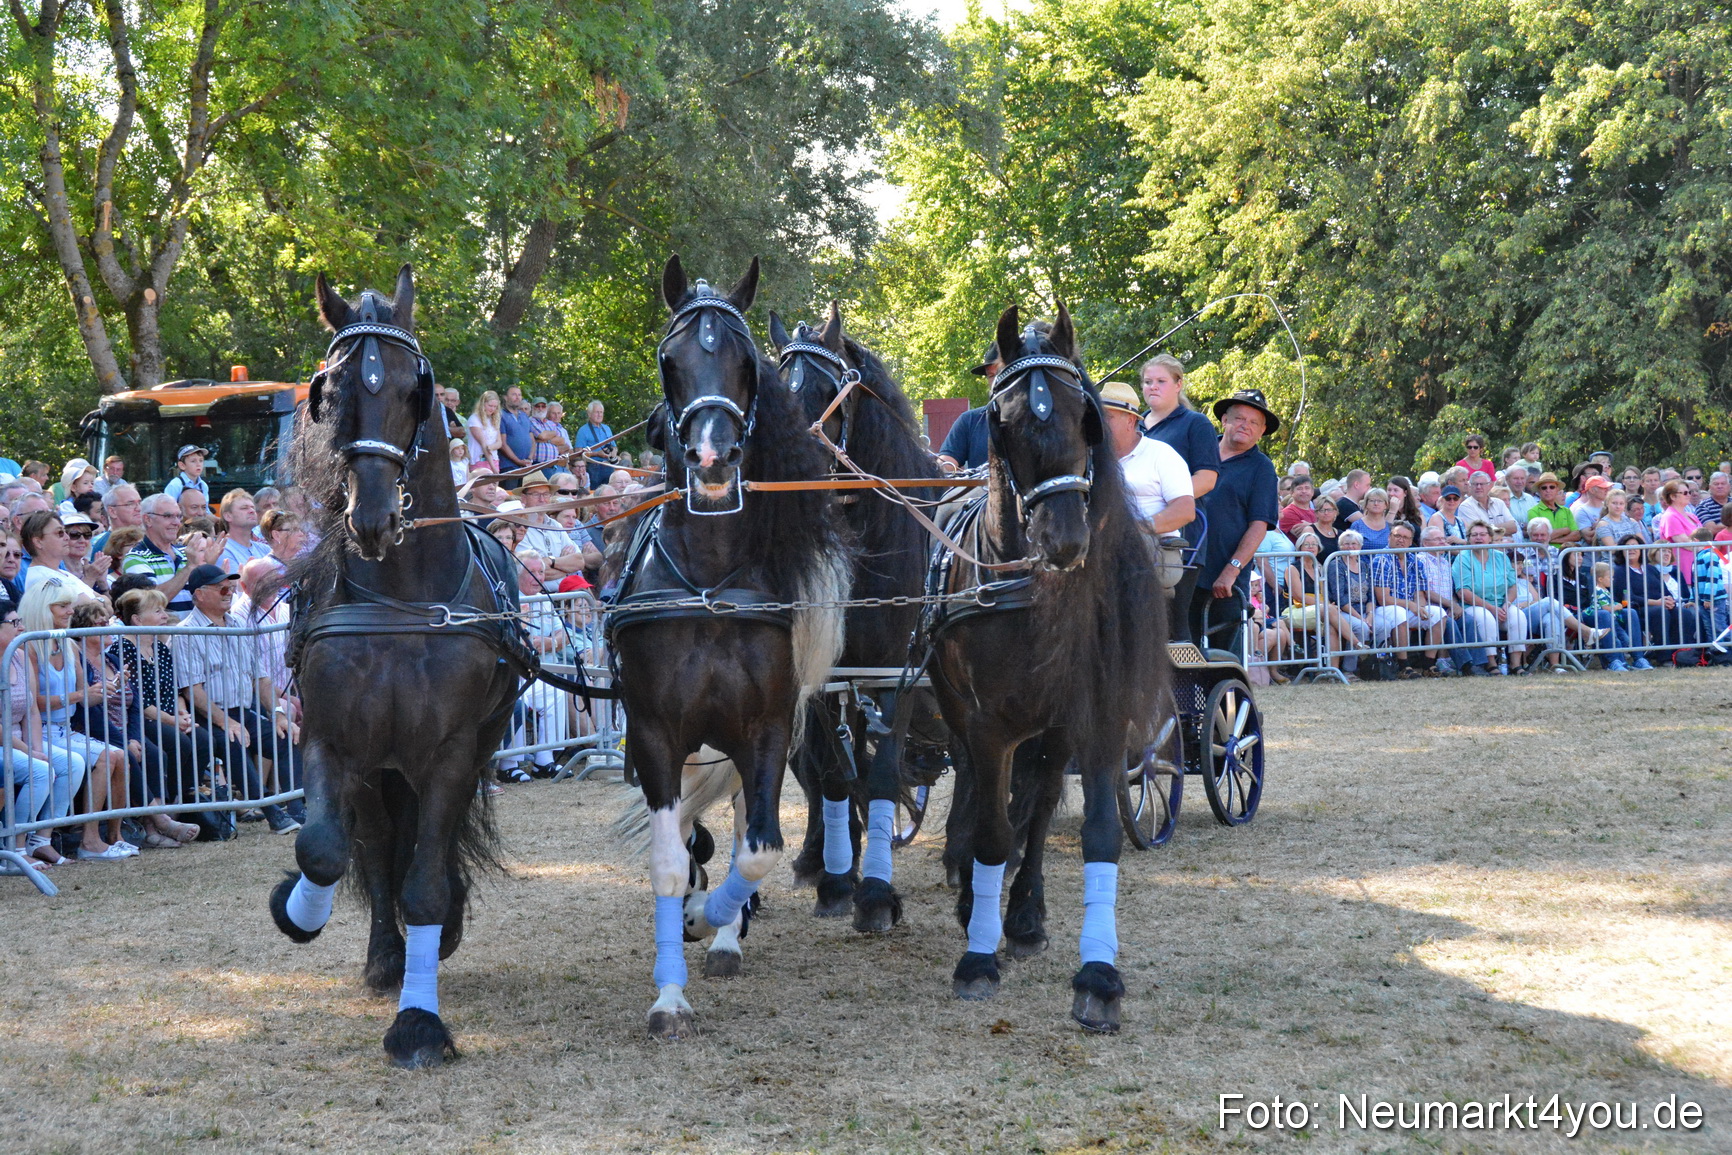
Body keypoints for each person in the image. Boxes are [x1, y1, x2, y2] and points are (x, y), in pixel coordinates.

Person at [174, 565, 301, 833]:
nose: (229, 593)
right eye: (222, 588)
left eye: (231, 588)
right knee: (233, 741)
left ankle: (299, 808)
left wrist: (278, 714)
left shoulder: (239, 625)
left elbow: (262, 679)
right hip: (207, 716)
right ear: (199, 594)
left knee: (288, 736)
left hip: (243, 711)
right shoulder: (186, 632)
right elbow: (193, 692)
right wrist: (226, 722)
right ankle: (273, 814)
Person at [20, 578, 133, 859]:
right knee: (95, 758)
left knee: (117, 755)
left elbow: (87, 697)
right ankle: (76, 839)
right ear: (42, 609)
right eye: (63, 605)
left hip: (65, 729)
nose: (70, 611)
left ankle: (109, 836)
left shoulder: (70, 645)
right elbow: (33, 703)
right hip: (39, 732)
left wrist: (109, 688)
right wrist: (80, 696)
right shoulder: (29, 648)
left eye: (70, 605)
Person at [1192, 389, 1279, 652]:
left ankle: (1228, 695)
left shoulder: (1262, 468)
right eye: (1240, 418)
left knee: (1223, 659)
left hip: (1225, 583)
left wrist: (1232, 570)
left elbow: (1259, 526)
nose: (1246, 426)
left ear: (1262, 431)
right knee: (1182, 652)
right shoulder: (1197, 454)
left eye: (1254, 422)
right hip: (1184, 571)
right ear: (1224, 420)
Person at [2, 597, 82, 867]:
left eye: (21, 621)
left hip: (20, 741)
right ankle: (14, 845)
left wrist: (35, 747)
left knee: (72, 763)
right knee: (40, 771)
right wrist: (30, 752)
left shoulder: (20, 656)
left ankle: (41, 840)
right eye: (14, 622)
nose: (21, 627)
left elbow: (33, 711)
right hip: (3, 743)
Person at [1098, 381, 1194, 534]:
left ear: (1130, 421)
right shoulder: (1091, 458)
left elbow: (1185, 510)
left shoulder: (1161, 454)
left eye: (1107, 417)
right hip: (1101, 546)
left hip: (1154, 544)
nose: (1099, 424)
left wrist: (1134, 529)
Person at [1367, 521, 1444, 677]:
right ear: (1389, 537)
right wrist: (1411, 605)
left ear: (1410, 541)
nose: (1400, 540)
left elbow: (1419, 593)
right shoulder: (1381, 560)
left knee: (1438, 613)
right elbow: (1383, 599)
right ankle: (1403, 665)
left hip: (1409, 607)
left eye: (1405, 537)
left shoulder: (1415, 560)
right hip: (1385, 609)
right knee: (1398, 613)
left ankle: (1429, 665)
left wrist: (1420, 607)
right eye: (1397, 536)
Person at [122, 494, 216, 616]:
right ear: (148, 520)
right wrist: (189, 567)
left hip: (194, 633)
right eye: (168, 516)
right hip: (163, 634)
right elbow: (151, 604)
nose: (177, 522)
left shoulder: (186, 552)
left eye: (178, 516)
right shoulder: (135, 558)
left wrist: (211, 567)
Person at [936, 342, 1002, 473]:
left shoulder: (1036, 418)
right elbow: (947, 463)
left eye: (1001, 373)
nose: (996, 381)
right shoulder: (970, 420)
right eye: (991, 375)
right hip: (983, 492)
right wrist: (939, 467)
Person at [1322, 529, 1375, 678]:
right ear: (1340, 546)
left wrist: (1369, 615)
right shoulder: (1335, 565)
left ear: (1360, 546)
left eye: (1354, 544)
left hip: (1365, 610)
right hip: (1344, 610)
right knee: (1361, 627)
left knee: (1385, 625)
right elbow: (1340, 597)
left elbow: (1371, 596)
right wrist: (1361, 618)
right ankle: (1348, 669)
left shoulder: (1364, 565)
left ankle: (1375, 666)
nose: (1350, 547)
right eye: (1346, 544)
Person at [18, 511, 104, 598]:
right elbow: (84, 606)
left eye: (87, 535)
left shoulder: (63, 573)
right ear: (38, 542)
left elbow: (106, 602)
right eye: (60, 533)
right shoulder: (42, 579)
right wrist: (90, 579)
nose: (67, 538)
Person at [1653, 479, 1704, 587]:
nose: (1689, 495)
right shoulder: (1670, 516)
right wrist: (1707, 549)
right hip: (1683, 571)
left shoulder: (1692, 516)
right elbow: (1684, 542)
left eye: (1689, 492)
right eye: (1685, 493)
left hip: (1699, 568)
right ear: (1673, 496)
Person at [215, 490, 271, 575]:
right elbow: (238, 585)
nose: (252, 511)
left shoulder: (265, 549)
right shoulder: (222, 551)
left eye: (253, 507)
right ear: (228, 516)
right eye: (244, 508)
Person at [1459, 471, 1516, 537]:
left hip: (1503, 545)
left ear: (1489, 486)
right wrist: (1503, 528)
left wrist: (1487, 528)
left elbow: (1513, 527)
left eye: (1482, 484)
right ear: (1470, 486)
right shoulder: (1465, 506)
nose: (1479, 487)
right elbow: (1478, 533)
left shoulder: (1499, 503)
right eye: (1475, 484)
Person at [497, 385, 536, 482]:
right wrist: (518, 461)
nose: (517, 397)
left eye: (519, 395)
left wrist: (529, 459)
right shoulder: (500, 415)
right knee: (511, 496)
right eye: (514, 394)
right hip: (509, 467)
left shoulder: (524, 416)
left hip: (526, 467)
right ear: (506, 397)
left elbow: (532, 440)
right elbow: (502, 444)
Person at [1529, 472, 1580, 543]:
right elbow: (1539, 537)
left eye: (1552, 487)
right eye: (1544, 488)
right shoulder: (1533, 511)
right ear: (1539, 491)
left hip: (1565, 553)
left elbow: (1576, 535)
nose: (1548, 490)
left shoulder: (1566, 511)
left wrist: (1555, 540)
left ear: (1557, 490)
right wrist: (1565, 530)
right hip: (1545, 553)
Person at [92, 484, 144, 554]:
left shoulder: (145, 539)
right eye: (130, 504)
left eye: (139, 502)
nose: (139, 508)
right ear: (112, 511)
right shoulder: (106, 545)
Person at [467, 389, 504, 474]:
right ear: (483, 404)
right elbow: (483, 445)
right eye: (490, 406)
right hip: (479, 460)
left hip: (494, 458)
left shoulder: (494, 419)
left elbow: (499, 442)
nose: (492, 409)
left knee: (493, 486)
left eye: (495, 407)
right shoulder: (474, 419)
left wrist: (491, 447)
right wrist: (493, 468)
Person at [533, 399, 571, 468]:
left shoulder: (562, 430)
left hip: (561, 465)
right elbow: (543, 436)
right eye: (553, 413)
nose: (556, 416)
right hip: (543, 464)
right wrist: (556, 446)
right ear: (547, 413)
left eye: (559, 413)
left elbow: (567, 446)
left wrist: (545, 441)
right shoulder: (541, 424)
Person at [1311, 494, 1344, 561]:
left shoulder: (1340, 534)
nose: (1326, 513)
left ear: (1335, 512)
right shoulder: (1310, 530)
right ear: (1316, 513)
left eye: (1329, 510)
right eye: (1322, 510)